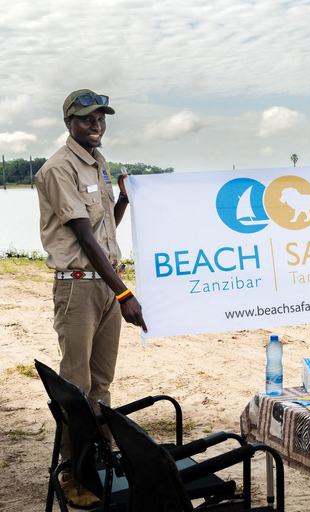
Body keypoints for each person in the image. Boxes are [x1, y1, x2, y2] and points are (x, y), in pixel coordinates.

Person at [35, 89, 147, 507]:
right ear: (69, 123)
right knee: (75, 388)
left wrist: (122, 200)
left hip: (105, 283)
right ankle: (73, 472)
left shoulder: (99, 165)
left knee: (101, 384)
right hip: (79, 287)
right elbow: (82, 236)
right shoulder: (58, 169)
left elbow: (104, 232)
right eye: (86, 119)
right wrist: (125, 292)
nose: (96, 124)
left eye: (101, 117)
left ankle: (99, 462)